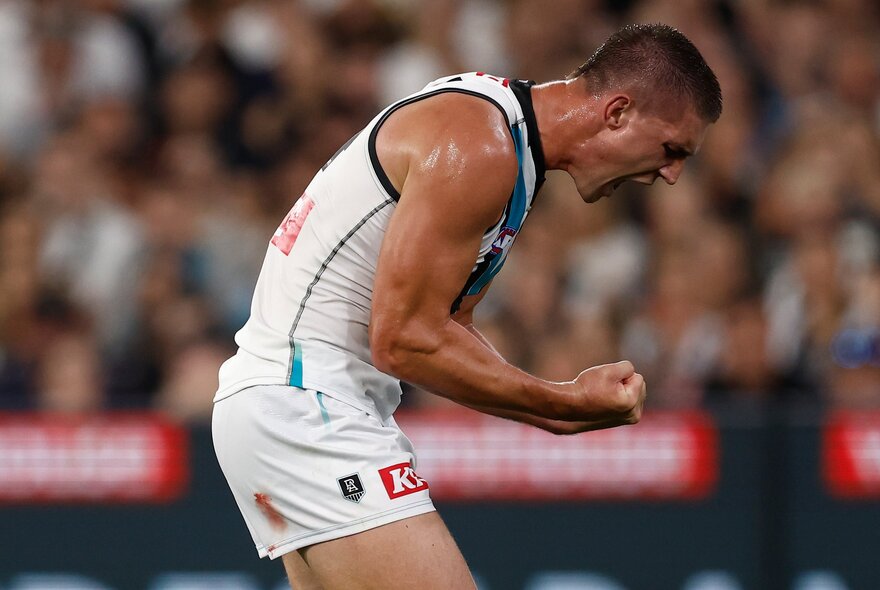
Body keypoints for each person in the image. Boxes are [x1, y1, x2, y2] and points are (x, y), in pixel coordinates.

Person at [212, 23, 721, 590]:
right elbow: (403, 340)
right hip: (307, 402)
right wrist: (561, 402)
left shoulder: (510, 148)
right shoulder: (480, 142)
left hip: (301, 402)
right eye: (672, 149)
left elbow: (447, 325)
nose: (671, 175)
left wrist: (557, 408)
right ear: (618, 113)